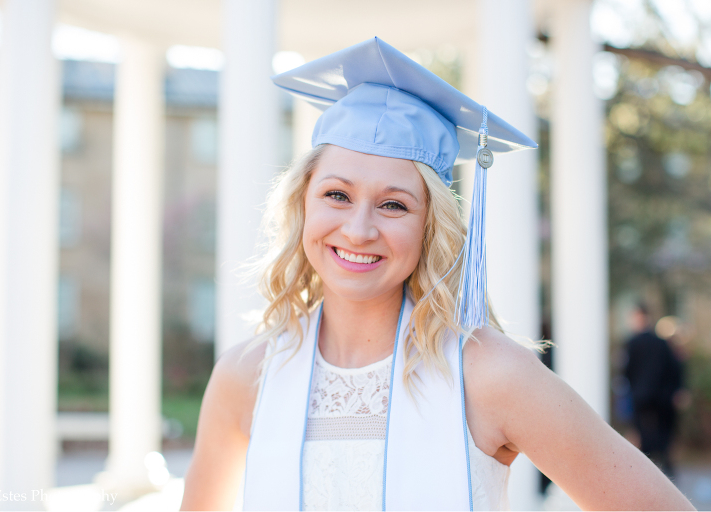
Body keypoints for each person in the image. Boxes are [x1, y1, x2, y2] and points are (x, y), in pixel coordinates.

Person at [180, 38, 693, 511]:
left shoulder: (488, 375)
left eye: (394, 205)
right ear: (302, 204)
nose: (359, 230)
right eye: (337, 194)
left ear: (431, 227)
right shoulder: (245, 377)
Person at [624, 304, 684, 479]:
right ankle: (662, 468)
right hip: (660, 397)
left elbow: (627, 371)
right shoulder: (660, 343)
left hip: (641, 396)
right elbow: (673, 368)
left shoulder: (632, 343)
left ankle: (647, 471)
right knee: (660, 435)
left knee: (644, 434)